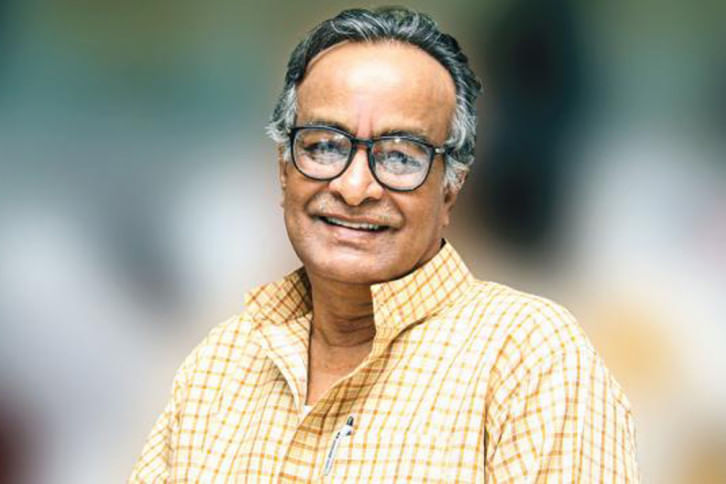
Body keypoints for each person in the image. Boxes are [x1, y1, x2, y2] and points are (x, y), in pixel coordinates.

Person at [130, 7, 639, 482]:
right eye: (324, 146)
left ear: (451, 187)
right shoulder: (218, 365)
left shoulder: (529, 358)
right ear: (283, 170)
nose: (354, 187)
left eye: (399, 156)